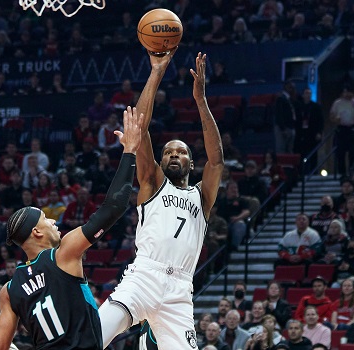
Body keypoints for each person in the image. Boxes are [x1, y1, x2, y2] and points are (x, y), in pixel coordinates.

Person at [0, 106, 142, 349]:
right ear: (36, 232)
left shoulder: (10, 289)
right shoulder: (63, 254)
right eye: (46, 219)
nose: (54, 222)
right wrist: (130, 151)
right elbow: (114, 207)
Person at [99, 51, 224, 349]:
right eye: (168, 151)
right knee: (92, 336)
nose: (173, 155)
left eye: (181, 152)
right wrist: (156, 72)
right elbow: (139, 132)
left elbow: (217, 160)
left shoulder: (202, 197)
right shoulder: (153, 183)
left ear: (191, 163)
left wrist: (200, 100)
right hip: (145, 277)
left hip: (180, 290)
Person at [330, 85, 354, 176]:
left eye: (349, 92)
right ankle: (342, 174)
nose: (347, 94)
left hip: (352, 129)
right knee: (340, 154)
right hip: (341, 129)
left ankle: (352, 172)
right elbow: (331, 116)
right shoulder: (337, 103)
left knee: (353, 153)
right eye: (346, 92)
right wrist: (336, 120)